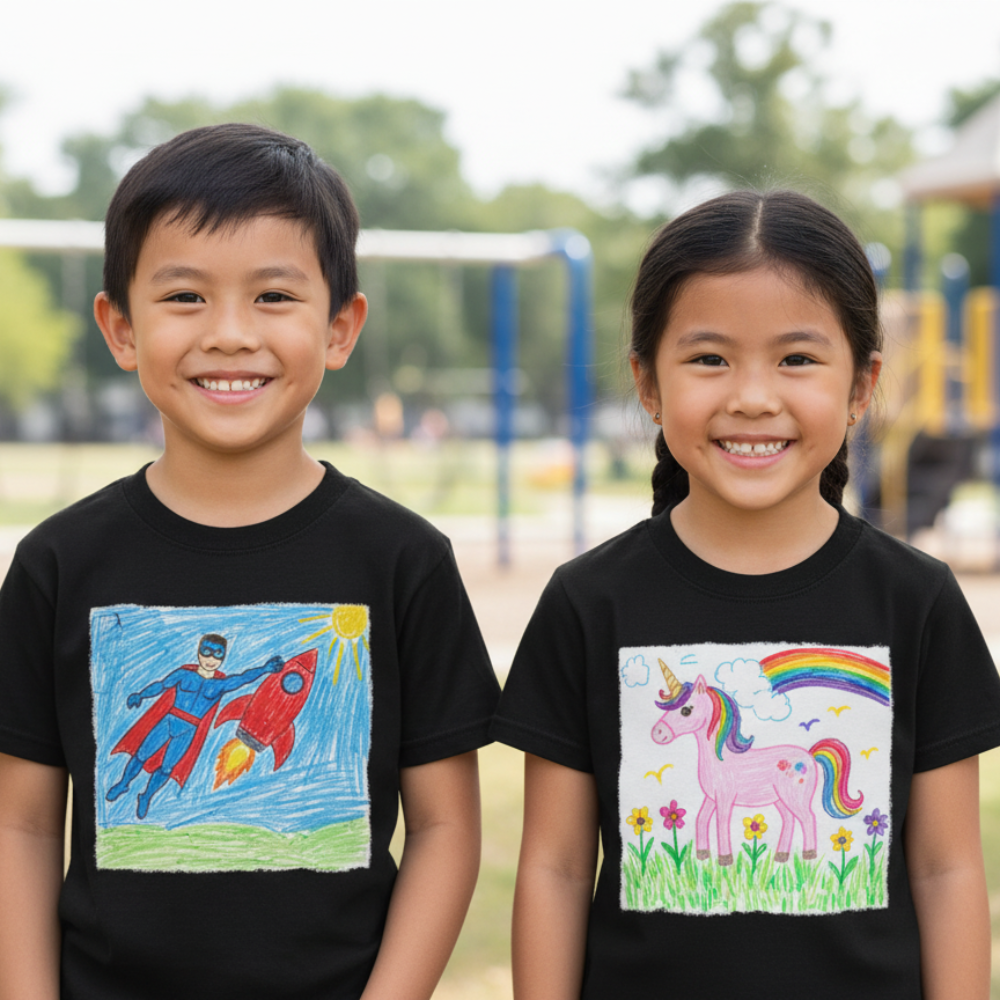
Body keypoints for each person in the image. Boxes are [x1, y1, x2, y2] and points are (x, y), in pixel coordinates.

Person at [0, 123, 500, 1000]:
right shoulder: (57, 562)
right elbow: (25, 825)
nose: (230, 335)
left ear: (341, 328)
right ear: (119, 328)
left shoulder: (404, 561)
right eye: (185, 298)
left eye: (273, 297)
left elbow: (447, 829)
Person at [491, 189, 1000, 1000]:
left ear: (862, 385)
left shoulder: (920, 601)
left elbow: (946, 869)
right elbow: (553, 869)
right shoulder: (588, 603)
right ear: (648, 384)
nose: (753, 396)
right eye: (709, 358)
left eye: (796, 358)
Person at [105, 633, 284, 818]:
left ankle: (146, 796)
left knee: (167, 768)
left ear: (223, 658)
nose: (211, 659)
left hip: (188, 730)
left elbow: (243, 678)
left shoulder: (220, 685)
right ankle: (123, 784)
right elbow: (161, 685)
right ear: (199, 652)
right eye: (206, 652)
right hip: (168, 721)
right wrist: (141, 695)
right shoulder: (184, 675)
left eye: (217, 654)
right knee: (141, 755)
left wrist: (264, 669)